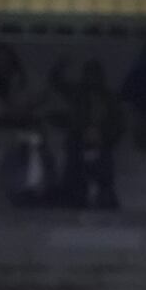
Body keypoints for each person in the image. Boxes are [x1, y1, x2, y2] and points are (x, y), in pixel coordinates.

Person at [49, 57, 125, 209]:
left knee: (103, 174)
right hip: (78, 141)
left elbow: (118, 124)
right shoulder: (77, 93)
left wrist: (102, 135)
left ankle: (104, 200)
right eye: (89, 74)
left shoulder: (110, 98)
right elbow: (56, 82)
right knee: (73, 172)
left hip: (102, 143)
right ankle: (73, 200)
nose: (92, 78)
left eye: (95, 74)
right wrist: (60, 66)